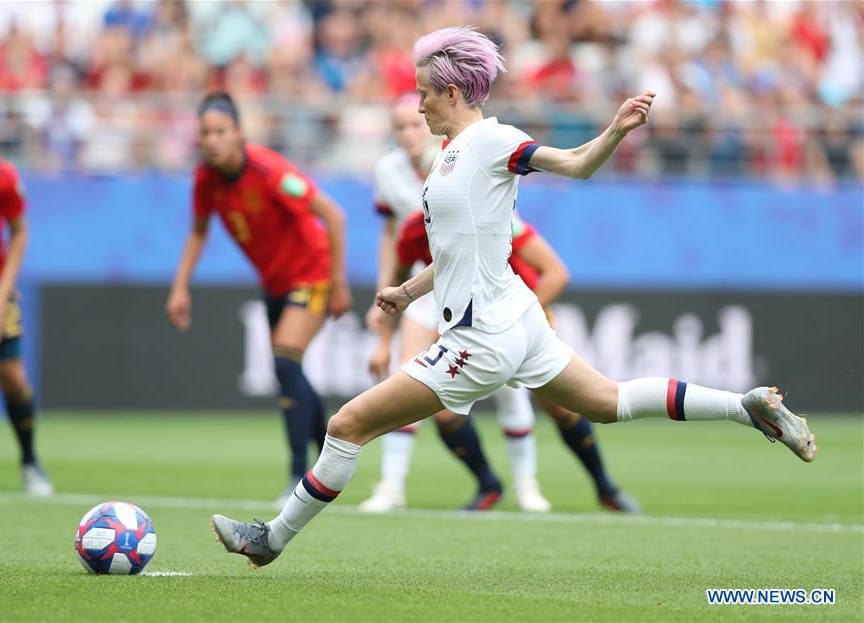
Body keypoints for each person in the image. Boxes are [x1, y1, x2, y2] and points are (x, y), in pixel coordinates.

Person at [210, 27, 816, 569]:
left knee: (347, 425)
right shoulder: (448, 160)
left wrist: (614, 130)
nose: (417, 102)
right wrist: (408, 289)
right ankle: (746, 407)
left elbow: (575, 165)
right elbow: (454, 255)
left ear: (452, 93)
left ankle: (271, 540)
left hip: (482, 338)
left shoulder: (491, 140)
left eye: (424, 92)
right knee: (606, 401)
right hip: (514, 319)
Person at [364, 209, 641, 513]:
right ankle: (488, 484)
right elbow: (399, 284)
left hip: (520, 319)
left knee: (561, 408)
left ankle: (604, 487)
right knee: (444, 414)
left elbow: (557, 273)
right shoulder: (415, 230)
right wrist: (385, 341)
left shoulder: (495, 220)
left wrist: (518, 317)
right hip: (465, 325)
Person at [167, 92, 352, 501]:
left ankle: (296, 477)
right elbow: (198, 231)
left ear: (239, 134)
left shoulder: (269, 171)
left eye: (220, 131)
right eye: (205, 133)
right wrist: (180, 286)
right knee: (290, 372)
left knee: (285, 361)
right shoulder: (205, 178)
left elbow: (333, 214)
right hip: (275, 284)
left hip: (312, 274)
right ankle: (332, 455)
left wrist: (338, 283)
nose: (212, 140)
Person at [361, 94, 512, 512]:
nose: (410, 131)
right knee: (405, 376)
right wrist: (385, 292)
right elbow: (392, 236)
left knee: (508, 392)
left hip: (473, 284)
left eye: (414, 122)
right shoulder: (387, 170)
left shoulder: (453, 153)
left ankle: (524, 483)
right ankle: (391, 486)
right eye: (400, 126)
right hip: (425, 284)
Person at [0, 102, 54, 496]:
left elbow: (19, 232)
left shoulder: (0, 178)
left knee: (12, 380)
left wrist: (1, 292)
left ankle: (31, 462)